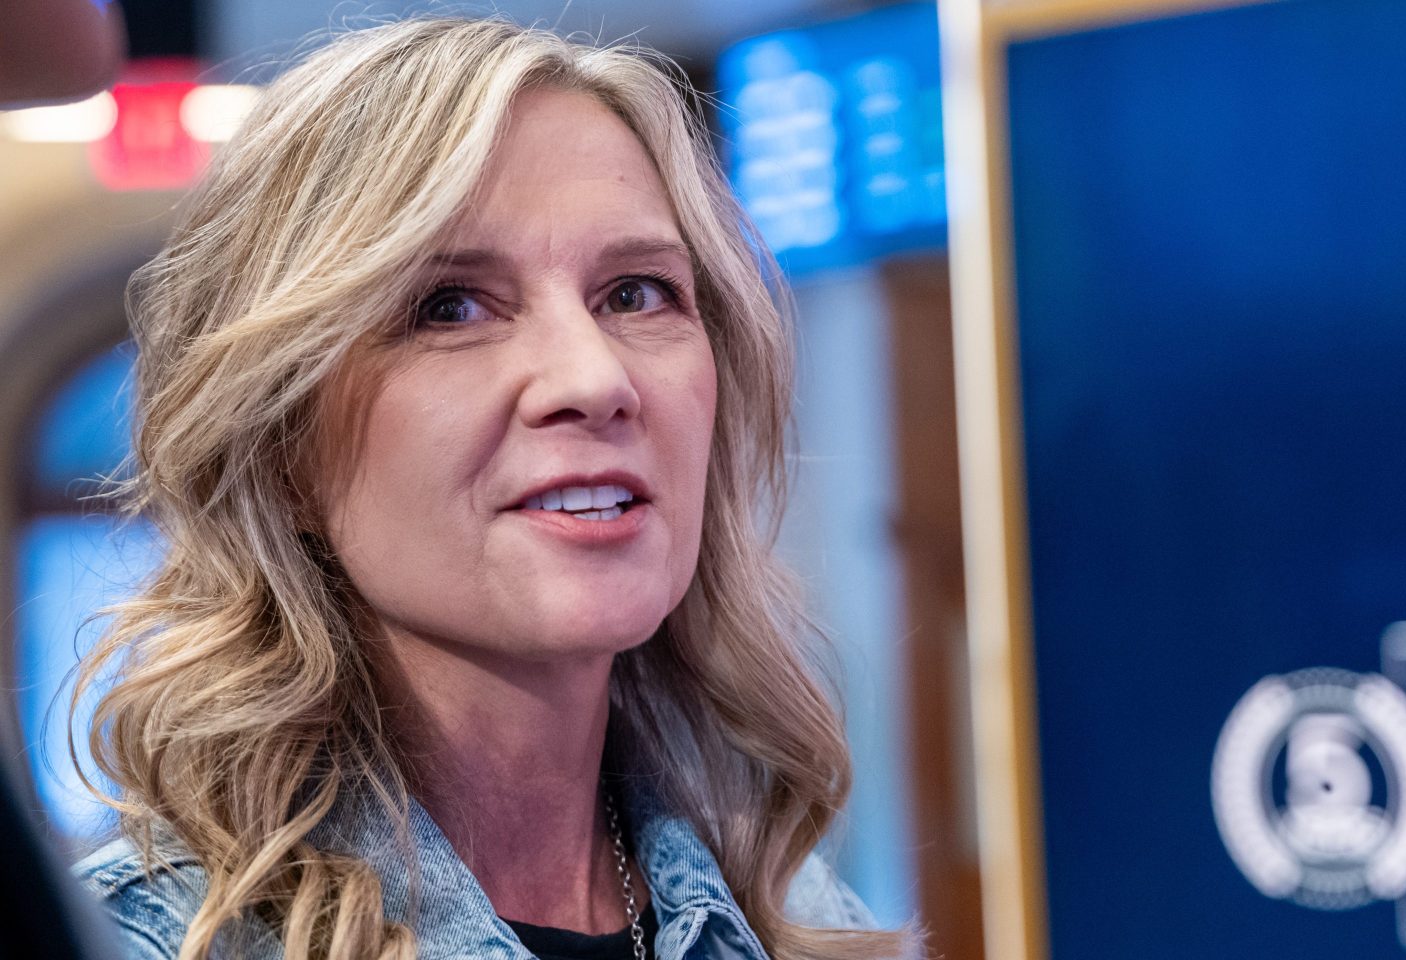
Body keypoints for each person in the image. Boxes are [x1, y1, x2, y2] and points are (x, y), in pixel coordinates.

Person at [71, 17, 912, 960]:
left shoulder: (798, 918)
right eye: (451, 307)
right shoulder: (142, 939)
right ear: (279, 442)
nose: (594, 380)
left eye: (635, 292)